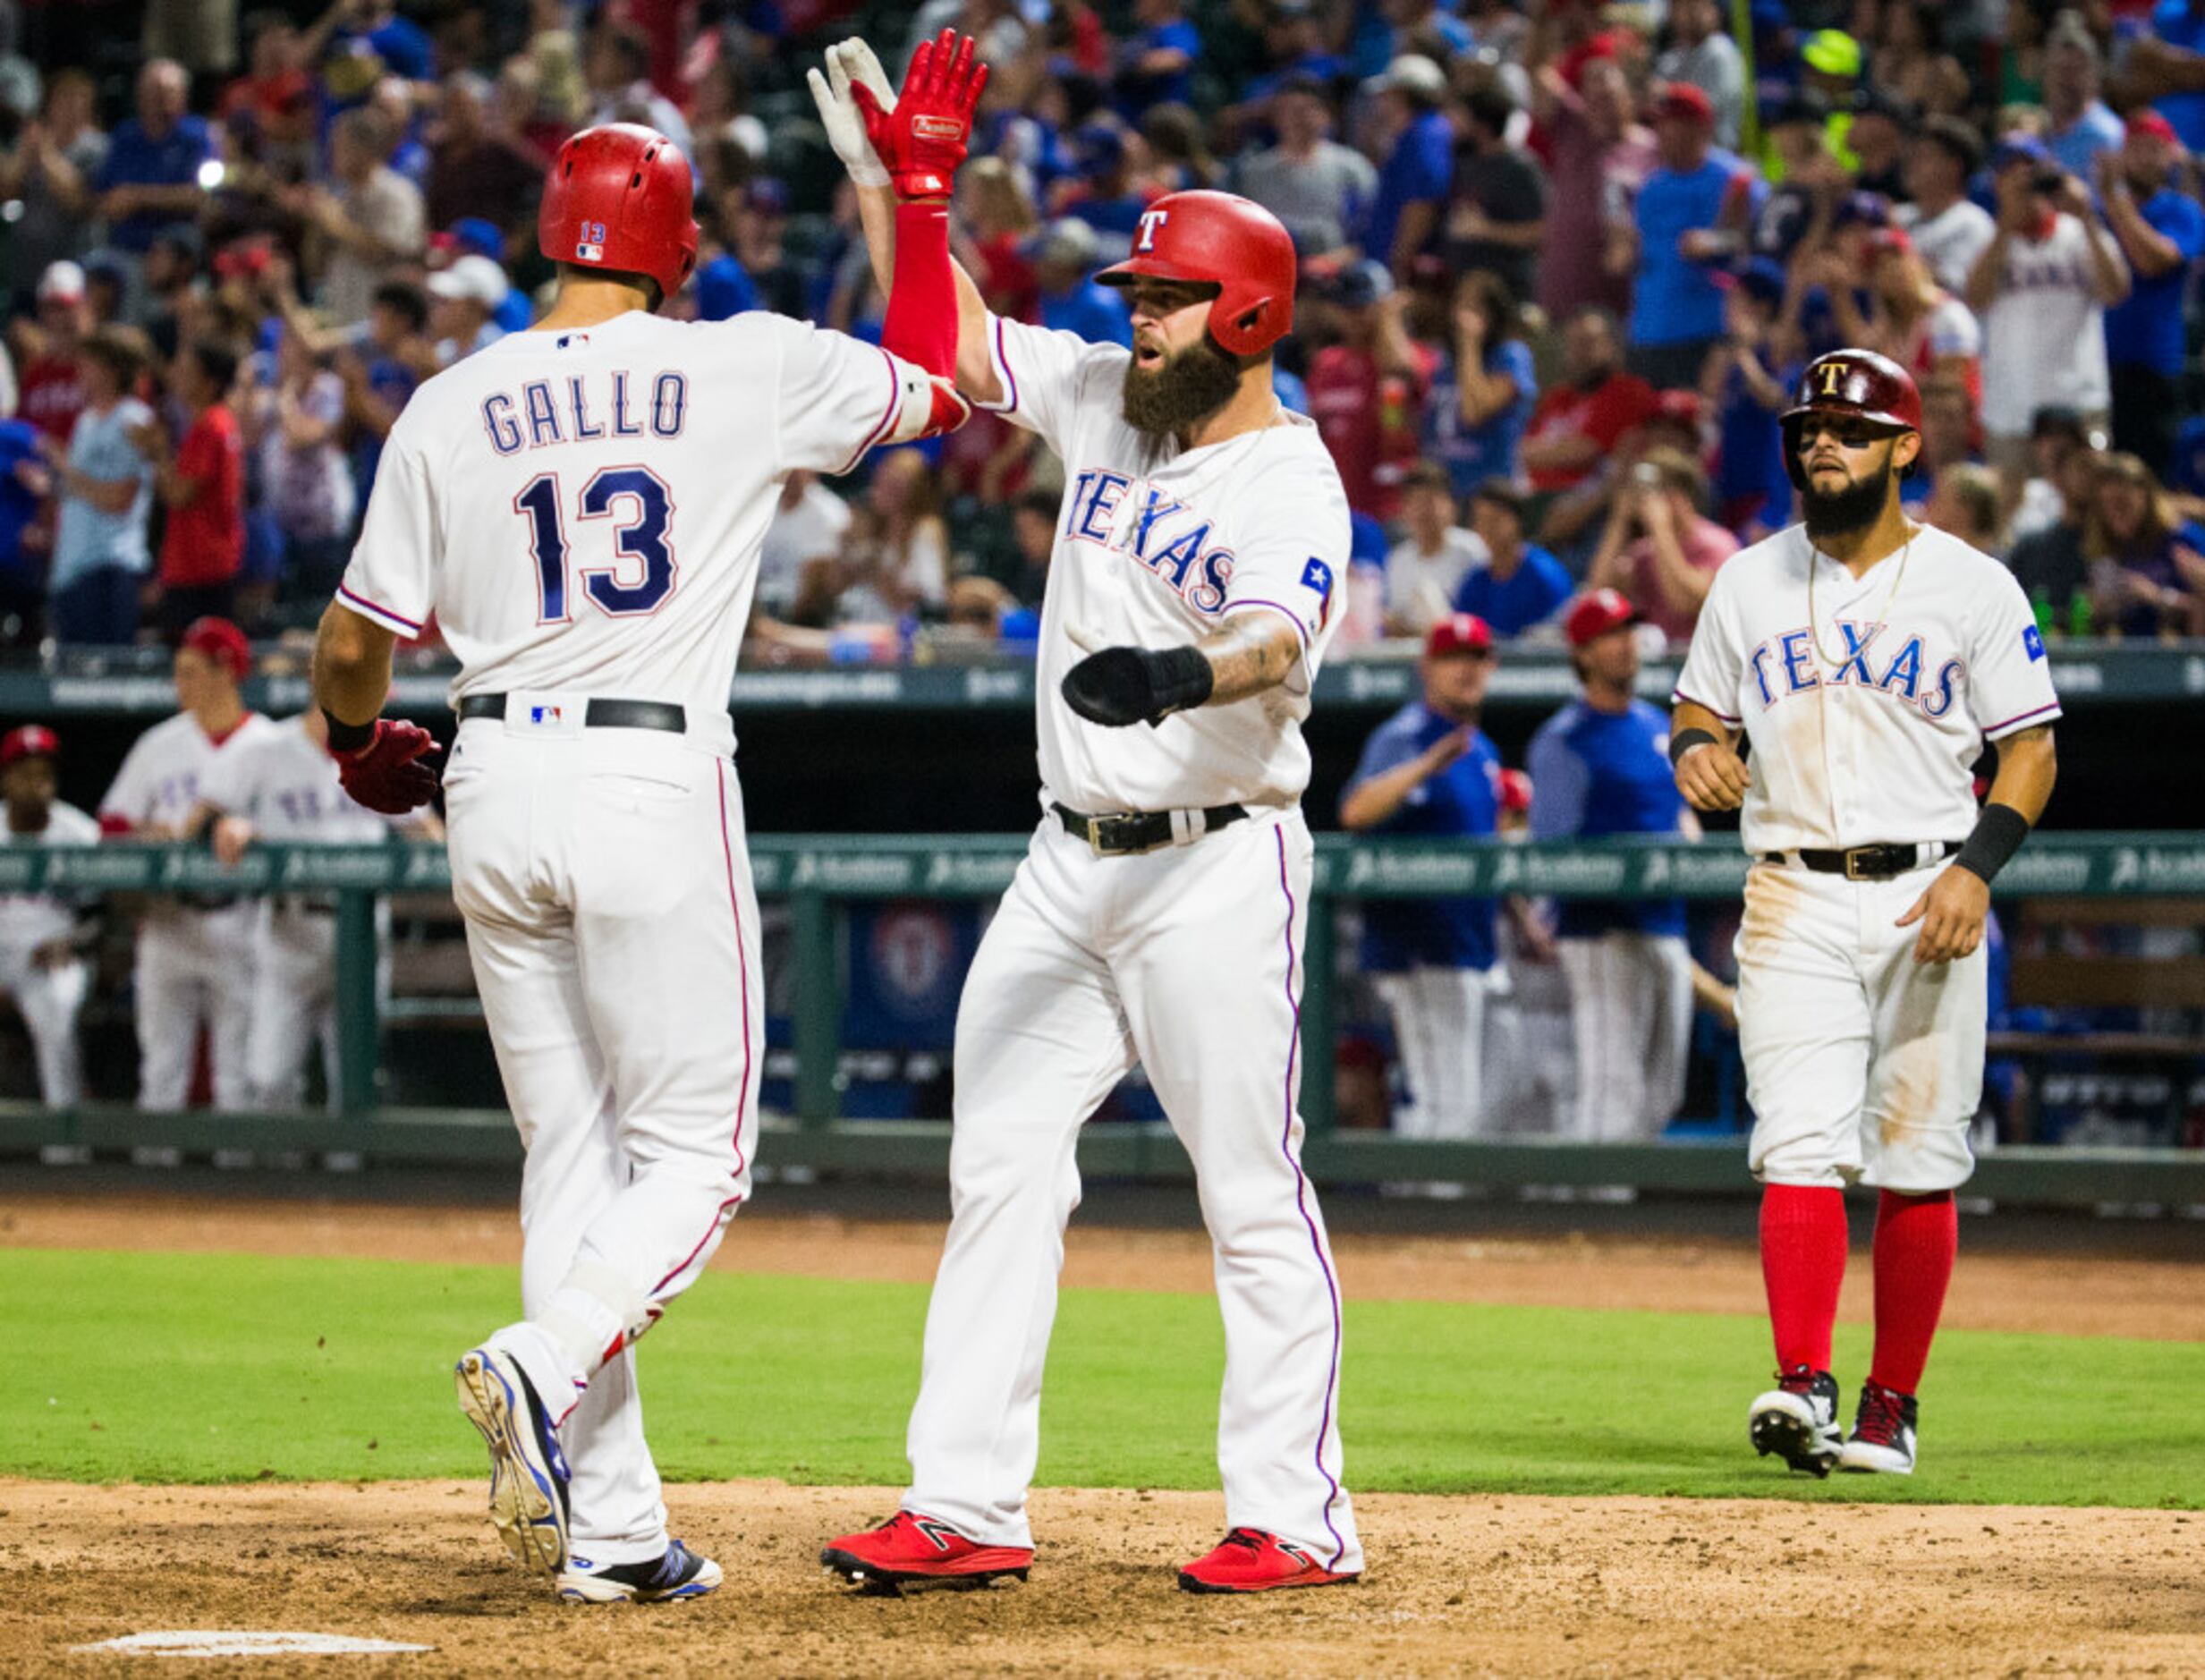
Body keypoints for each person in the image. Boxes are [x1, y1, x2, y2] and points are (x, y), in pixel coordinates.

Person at [308, 34, 979, 1600]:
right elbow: (940, 379)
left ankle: (609, 1534)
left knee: (572, 1148)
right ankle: (540, 1365)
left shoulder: (448, 401)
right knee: (698, 1158)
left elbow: (352, 645)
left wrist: (354, 746)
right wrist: (909, 196)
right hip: (646, 767)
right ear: (678, 250)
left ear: (550, 235)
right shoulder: (737, 359)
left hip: (488, 772)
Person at [811, 38, 1361, 1596]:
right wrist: (903, 190)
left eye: (1166, 298)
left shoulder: (1289, 478)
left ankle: (1297, 1514)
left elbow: (1278, 641)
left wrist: (1181, 668)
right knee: (996, 1165)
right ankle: (968, 1502)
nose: (1138, 318)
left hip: (1215, 857)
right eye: (1132, 295)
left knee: (1249, 1185)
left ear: (1247, 314)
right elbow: (952, 341)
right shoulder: (1112, 401)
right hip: (1068, 858)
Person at [1670, 348, 2059, 1478]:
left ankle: (1891, 1407)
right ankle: (1803, 1384)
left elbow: (2028, 750)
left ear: (1902, 447)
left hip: (1927, 887)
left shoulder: (1970, 584)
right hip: (1788, 884)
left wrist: (1976, 869)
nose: (1820, 444)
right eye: (1807, 429)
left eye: (1847, 428)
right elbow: (1697, 705)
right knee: (1795, 1140)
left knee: (1917, 1155)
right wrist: (1697, 746)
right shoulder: (1747, 579)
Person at [192, 707, 442, 1109]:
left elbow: (428, 833)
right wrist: (232, 825)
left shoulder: (382, 751)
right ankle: (284, 1171)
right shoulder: (266, 747)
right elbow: (210, 818)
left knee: (353, 1081)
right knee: (268, 1077)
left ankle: (350, 1169)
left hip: (361, 932)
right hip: (289, 928)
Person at [1530, 589, 1693, 1143]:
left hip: (1664, 919)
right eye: (1610, 635)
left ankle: (1620, 1208)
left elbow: (1682, 811)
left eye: (1629, 631)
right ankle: (1593, 1210)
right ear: (1582, 655)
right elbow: (1549, 844)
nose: (1626, 644)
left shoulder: (1655, 723)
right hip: (1597, 927)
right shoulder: (1564, 738)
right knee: (1611, 1078)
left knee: (1664, 1086)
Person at [98, 618, 277, 1113]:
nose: (178, 683)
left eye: (190, 671)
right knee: (160, 1072)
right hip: (167, 921)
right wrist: (145, 836)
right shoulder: (158, 743)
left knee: (236, 1079)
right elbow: (112, 824)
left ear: (226, 670)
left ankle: (236, 1180)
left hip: (239, 918)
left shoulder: (268, 743)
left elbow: (290, 832)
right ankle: (154, 1182)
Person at [1340, 613, 1505, 1140]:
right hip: (1418, 944)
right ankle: (1425, 1212)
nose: (1466, 670)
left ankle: (1429, 1203)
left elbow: (1489, 844)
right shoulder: (1406, 737)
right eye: (1453, 658)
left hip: (1467, 939)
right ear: (1427, 667)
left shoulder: (1480, 747)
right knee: (1445, 1098)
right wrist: (1425, 766)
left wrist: (1522, 919)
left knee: (1456, 1098)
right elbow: (1357, 811)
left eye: (1476, 658)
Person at [1966, 136, 2129, 505]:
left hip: (2078, 399)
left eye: (2032, 173)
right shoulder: (1992, 241)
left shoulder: (2080, 234)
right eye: (2014, 175)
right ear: (1998, 184)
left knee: (2090, 510)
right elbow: (1977, 297)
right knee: (2010, 520)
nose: (2026, 183)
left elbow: (2116, 290)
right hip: (2011, 409)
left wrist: (2087, 215)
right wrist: (2006, 223)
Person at [1619, 82, 1758, 392]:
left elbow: (1757, 246)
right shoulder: (1652, 186)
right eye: (1658, 124)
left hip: (1705, 330)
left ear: (1700, 127)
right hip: (1648, 332)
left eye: (1670, 123)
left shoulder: (1735, 179)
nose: (1660, 133)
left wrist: (1714, 243)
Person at [2099, 114, 2205, 478]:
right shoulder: (2096, 212)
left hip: (2155, 368)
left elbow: (2153, 260)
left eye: (2153, 149)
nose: (2143, 158)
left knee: (2150, 478)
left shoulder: (2182, 210)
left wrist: (2115, 201)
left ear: (2170, 156)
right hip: (2099, 368)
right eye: (2135, 148)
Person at [0, 725, 97, 1108]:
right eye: (25, 773)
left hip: (52, 954)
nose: (36, 783)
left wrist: (73, 942)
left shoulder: (79, 834)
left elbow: (102, 915)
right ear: (6, 779)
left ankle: (64, 1143)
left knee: (57, 1014)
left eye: (44, 773)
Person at [42, 327, 156, 645]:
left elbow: (121, 499)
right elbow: (76, 491)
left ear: (112, 369)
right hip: (70, 570)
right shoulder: (85, 421)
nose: (81, 371)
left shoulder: (134, 420)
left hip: (110, 568)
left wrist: (67, 470)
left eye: (89, 363)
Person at [1304, 259, 1434, 522]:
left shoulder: (1410, 356)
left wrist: (1389, 318)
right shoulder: (1327, 363)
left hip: (1391, 508)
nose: (1354, 317)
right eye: (1347, 308)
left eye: (1362, 307)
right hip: (1337, 507)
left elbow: (1402, 371)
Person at [141, 337, 247, 632]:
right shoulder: (218, 422)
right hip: (208, 564)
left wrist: (158, 451)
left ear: (210, 382)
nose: (176, 374)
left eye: (187, 369)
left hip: (198, 570)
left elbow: (179, 494)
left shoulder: (210, 427)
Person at [1587, 445, 1738, 646]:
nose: (1644, 499)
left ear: (1680, 496)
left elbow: (1685, 602)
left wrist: (1660, 527)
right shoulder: (1645, 552)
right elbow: (1600, 593)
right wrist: (1619, 520)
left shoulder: (1716, 543)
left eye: (1654, 491)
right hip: (1657, 666)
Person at [1232, 72, 1372, 264]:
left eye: (1307, 109)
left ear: (1327, 115)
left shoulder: (1352, 169)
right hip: (1270, 266)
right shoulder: (1253, 171)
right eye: (1288, 110)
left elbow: (1367, 233)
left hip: (1334, 269)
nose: (1298, 118)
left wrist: (1331, 262)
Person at [1424, 269, 1537, 499]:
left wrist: (1470, 345)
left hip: (1490, 492)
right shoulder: (1444, 360)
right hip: (1444, 490)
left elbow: (1474, 412)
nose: (1463, 316)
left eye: (1475, 307)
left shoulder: (1511, 356)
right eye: (1460, 304)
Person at [1441, 84, 1547, 308]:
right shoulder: (1466, 162)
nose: (1452, 124)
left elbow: (1541, 231)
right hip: (1463, 290)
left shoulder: (1521, 168)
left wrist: (1485, 230)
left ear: (1483, 126)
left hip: (1506, 296)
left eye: (1461, 117)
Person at [2083, 450, 2205, 639]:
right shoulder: (2107, 550)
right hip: (2121, 657)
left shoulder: (2182, 541)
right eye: (2106, 506)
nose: (2116, 514)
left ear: (2146, 497)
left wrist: (2158, 597)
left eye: (2123, 503)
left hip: (2178, 656)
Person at [1361, 53, 1453, 280]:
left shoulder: (1424, 136)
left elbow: (1422, 201)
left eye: (1387, 95)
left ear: (1403, 96)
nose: (1380, 104)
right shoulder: (1415, 134)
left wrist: (1401, 261)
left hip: (1402, 267)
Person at [1451, 477, 1572, 638]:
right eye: (1481, 520)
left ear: (1517, 520)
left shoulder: (1544, 575)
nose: (1488, 528)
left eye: (1495, 519)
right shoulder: (1475, 581)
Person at [1894, 115, 1995, 296]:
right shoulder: (1899, 215)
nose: (1911, 163)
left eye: (1923, 156)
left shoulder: (1972, 223)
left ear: (1954, 166)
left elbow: (1953, 288)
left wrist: (1894, 247)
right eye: (1911, 155)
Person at [1382, 462, 1484, 636]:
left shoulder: (1473, 551)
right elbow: (1394, 619)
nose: (1424, 512)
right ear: (1404, 510)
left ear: (1452, 506)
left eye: (1431, 501)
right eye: (1416, 502)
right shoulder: (1397, 559)